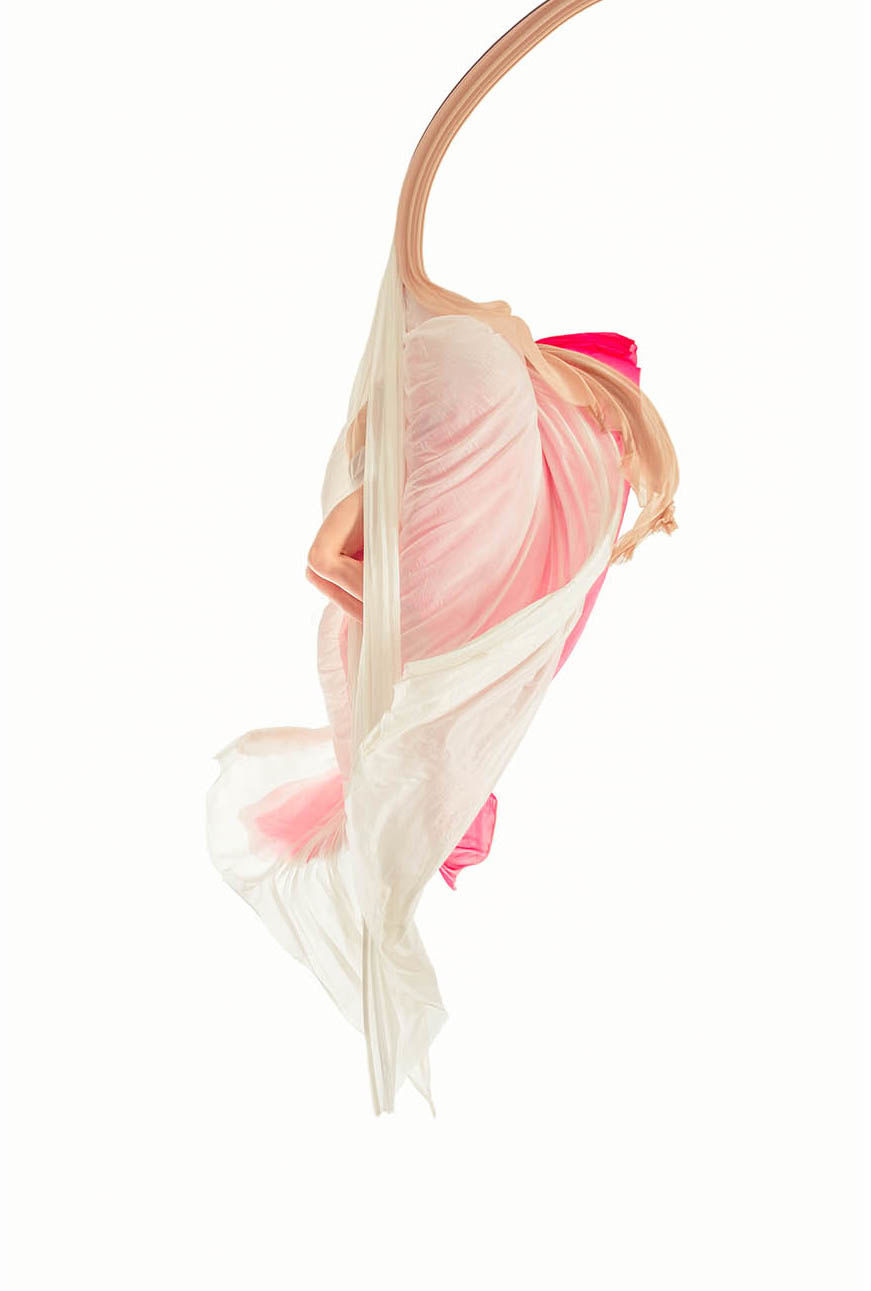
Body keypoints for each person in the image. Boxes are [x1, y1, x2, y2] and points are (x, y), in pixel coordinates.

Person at [207, 0, 679, 1115]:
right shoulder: (445, 515)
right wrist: (387, 597)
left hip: (423, 582)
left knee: (477, 345)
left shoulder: (427, 515)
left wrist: (381, 598)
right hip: (434, 573)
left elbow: (325, 558)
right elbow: (329, 559)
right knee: (482, 349)